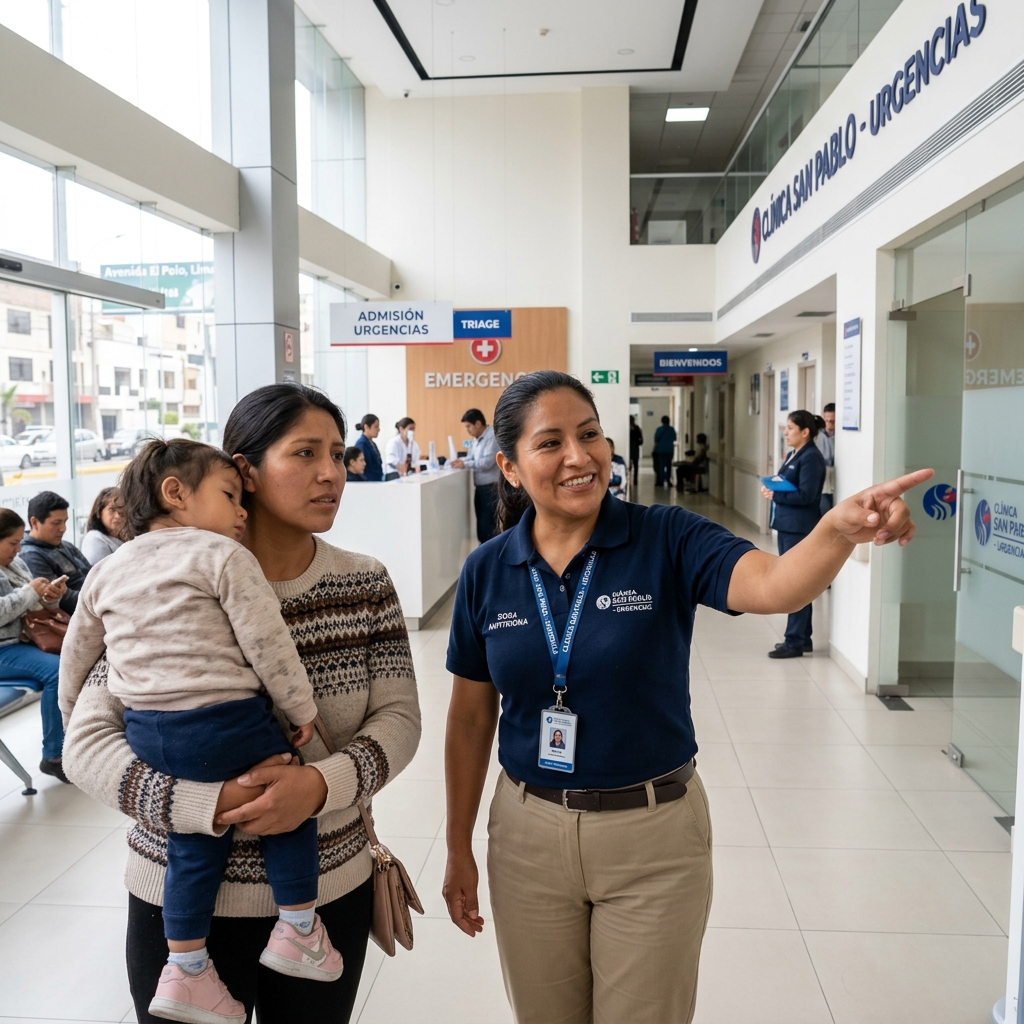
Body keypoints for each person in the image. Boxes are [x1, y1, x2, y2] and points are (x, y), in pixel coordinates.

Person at [442, 370, 929, 1024]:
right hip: (527, 835)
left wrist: (837, 530)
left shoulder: (665, 538)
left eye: (590, 435)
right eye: (551, 442)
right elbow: (471, 719)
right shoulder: (488, 570)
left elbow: (776, 585)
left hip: (652, 838)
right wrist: (456, 845)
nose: (579, 457)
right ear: (508, 466)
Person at [63, 383, 421, 1024]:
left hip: (325, 887)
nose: (331, 473)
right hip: (177, 904)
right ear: (244, 473)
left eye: (338, 455)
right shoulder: (164, 585)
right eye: (305, 453)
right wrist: (201, 805)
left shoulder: (362, 580)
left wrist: (319, 785)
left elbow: (399, 719)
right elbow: (87, 743)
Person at [0, 507, 69, 782]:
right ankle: (55, 755)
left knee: (78, 660)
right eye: (12, 543)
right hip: (4, 649)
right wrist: (31, 592)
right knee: (58, 670)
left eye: (19, 542)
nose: (18, 549)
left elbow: (36, 606)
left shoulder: (15, 564)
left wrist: (51, 597)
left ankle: (77, 744)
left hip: (21, 642)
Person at [760, 410, 828, 659]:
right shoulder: (794, 454)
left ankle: (795, 641)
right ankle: (802, 637)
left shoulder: (811, 458)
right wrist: (772, 486)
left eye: (790, 428)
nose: (786, 432)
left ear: (805, 432)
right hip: (788, 526)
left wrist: (776, 495)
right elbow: (786, 481)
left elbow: (807, 496)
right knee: (795, 580)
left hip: (800, 528)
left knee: (795, 583)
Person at [20, 491, 91, 615]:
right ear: (35, 522)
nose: (63, 528)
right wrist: (101, 598)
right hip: (81, 614)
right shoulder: (30, 556)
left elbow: (93, 573)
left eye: (65, 521)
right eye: (56, 523)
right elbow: (62, 599)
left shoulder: (66, 545)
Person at [450, 409, 499, 543]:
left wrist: (465, 464)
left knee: (489, 526)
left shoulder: (492, 436)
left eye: (468, 426)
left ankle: (490, 556)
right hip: (481, 489)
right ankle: (483, 554)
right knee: (482, 525)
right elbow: (471, 456)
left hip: (492, 489)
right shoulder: (476, 439)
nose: (467, 429)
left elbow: (487, 462)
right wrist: (461, 462)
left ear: (478, 423)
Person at [80, 487, 125, 564]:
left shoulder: (124, 538)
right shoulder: (95, 539)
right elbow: (101, 572)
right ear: (99, 512)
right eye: (112, 510)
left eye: (121, 510)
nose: (117, 516)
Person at [816, 402, 836, 516]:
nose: (829, 425)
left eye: (832, 421)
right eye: (826, 421)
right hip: (823, 482)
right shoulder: (819, 436)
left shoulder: (841, 436)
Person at [354, 415, 384, 482]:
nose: (379, 429)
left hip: (377, 480)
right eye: (376, 426)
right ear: (366, 427)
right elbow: (361, 467)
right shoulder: (361, 444)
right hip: (369, 482)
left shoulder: (373, 444)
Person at [652, 415, 676, 488]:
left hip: (661, 450)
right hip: (669, 450)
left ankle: (661, 481)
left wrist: (654, 449)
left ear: (662, 421)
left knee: (661, 466)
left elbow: (656, 439)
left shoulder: (659, 429)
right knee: (669, 466)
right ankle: (668, 481)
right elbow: (674, 438)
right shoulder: (672, 429)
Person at [628, 415, 643, 489]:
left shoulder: (627, 429)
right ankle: (635, 481)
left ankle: (628, 480)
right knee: (636, 465)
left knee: (629, 465)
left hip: (629, 449)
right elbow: (641, 441)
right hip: (635, 449)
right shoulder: (637, 428)